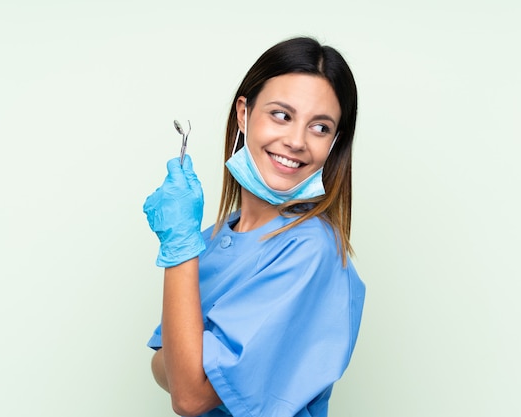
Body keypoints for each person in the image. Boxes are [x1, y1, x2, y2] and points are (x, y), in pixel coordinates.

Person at [142, 36, 365, 417]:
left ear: (335, 142)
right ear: (244, 114)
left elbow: (190, 396)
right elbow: (165, 367)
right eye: (282, 115)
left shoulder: (310, 250)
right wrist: (188, 366)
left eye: (321, 127)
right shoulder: (211, 239)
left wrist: (179, 247)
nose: (296, 141)